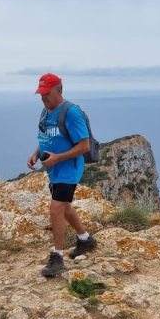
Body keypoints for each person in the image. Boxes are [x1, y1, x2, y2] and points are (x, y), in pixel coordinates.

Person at [27, 72, 98, 277]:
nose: (43, 98)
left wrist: (58, 158)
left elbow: (84, 146)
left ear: (59, 90)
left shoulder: (71, 112)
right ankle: (85, 240)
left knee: (56, 208)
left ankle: (57, 257)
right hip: (54, 169)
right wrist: (35, 153)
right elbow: (46, 137)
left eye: (46, 93)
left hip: (68, 169)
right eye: (41, 94)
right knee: (65, 207)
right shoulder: (46, 111)